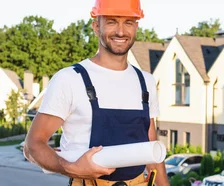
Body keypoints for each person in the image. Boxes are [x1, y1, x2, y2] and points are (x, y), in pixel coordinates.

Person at [23, 0, 169, 185]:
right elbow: (33, 145)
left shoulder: (146, 82)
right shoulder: (70, 79)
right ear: (95, 26)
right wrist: (71, 167)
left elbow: (151, 151)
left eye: (128, 22)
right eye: (111, 21)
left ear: (136, 27)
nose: (121, 31)